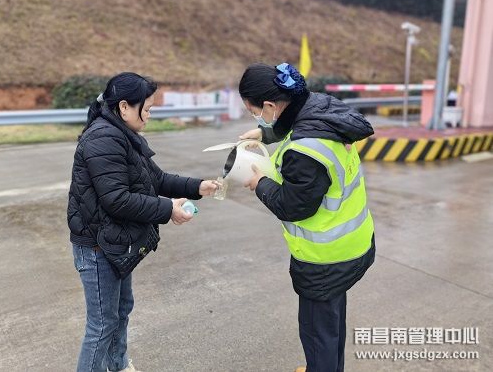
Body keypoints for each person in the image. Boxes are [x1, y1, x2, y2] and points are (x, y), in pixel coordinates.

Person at [67, 72, 218, 372]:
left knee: (121, 310)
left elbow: (156, 179)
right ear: (124, 107)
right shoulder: (103, 138)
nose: (148, 115)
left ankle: (119, 365)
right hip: (97, 247)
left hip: (113, 241)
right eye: (146, 109)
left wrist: (198, 187)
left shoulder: (122, 133)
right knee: (102, 324)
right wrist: (168, 209)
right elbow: (117, 199)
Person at [238, 63, 376, 372]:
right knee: (331, 324)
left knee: (317, 334)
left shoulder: (304, 151)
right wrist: (265, 132)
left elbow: (293, 207)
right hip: (352, 244)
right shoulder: (321, 106)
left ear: (270, 105)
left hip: (324, 259)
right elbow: (296, 120)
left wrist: (259, 183)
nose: (255, 116)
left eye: (254, 112)